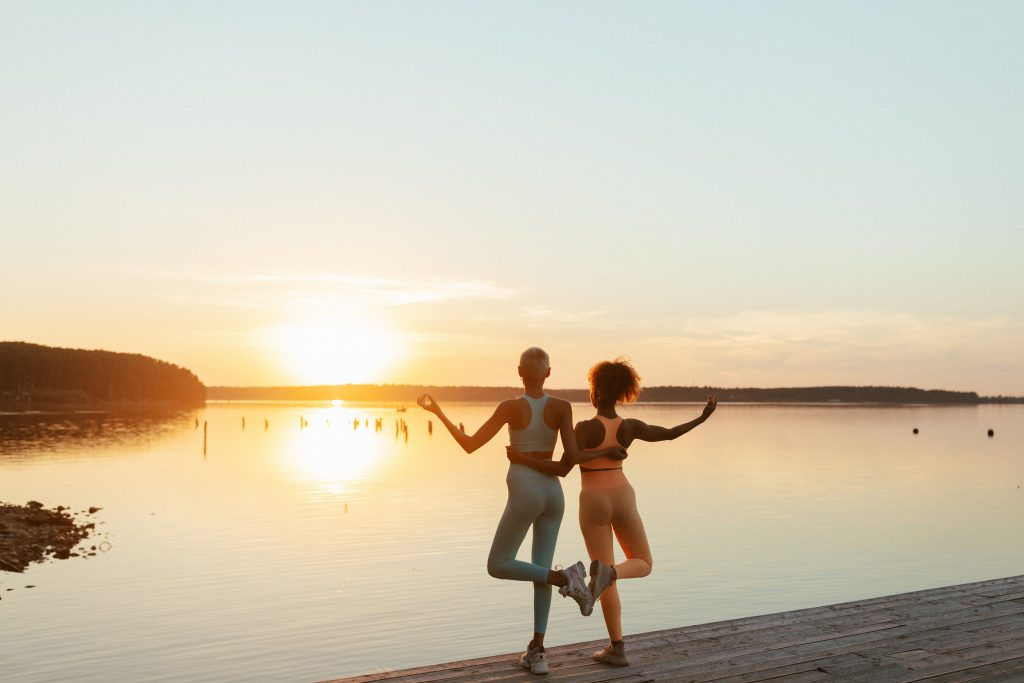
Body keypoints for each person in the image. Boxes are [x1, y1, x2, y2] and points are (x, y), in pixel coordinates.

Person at [416, 347, 627, 675]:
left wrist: (439, 413)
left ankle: (564, 577)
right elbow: (569, 460)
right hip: (554, 496)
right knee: (537, 570)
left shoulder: (510, 408)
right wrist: (608, 451)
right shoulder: (561, 407)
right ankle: (538, 651)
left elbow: (470, 444)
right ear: (549, 373)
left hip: (525, 493)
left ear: (518, 372)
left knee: (498, 564)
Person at [508, 357, 716, 667]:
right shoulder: (629, 427)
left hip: (593, 497)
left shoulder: (585, 427)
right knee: (643, 562)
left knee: (607, 579)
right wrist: (702, 418)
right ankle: (612, 588)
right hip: (622, 493)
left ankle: (617, 642)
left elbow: (566, 466)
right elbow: (670, 433)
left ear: (595, 393)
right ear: (620, 394)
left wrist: (523, 459)